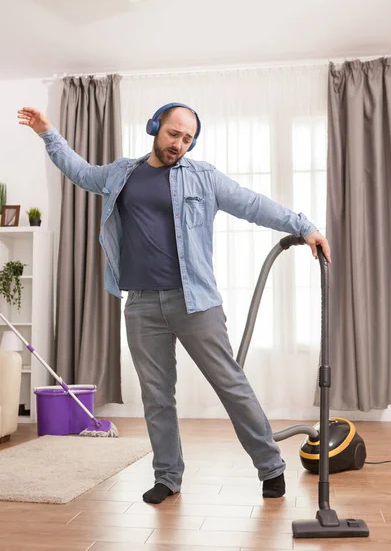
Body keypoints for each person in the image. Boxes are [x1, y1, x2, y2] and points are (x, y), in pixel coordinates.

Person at [18, 102, 331, 505]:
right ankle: (167, 475)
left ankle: (270, 467)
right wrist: (48, 132)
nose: (179, 144)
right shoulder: (121, 174)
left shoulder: (203, 177)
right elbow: (80, 171)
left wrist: (304, 227)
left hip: (195, 302)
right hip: (142, 306)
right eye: (173, 134)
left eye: (187, 138)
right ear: (154, 127)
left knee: (231, 385)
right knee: (157, 396)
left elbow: (254, 205)